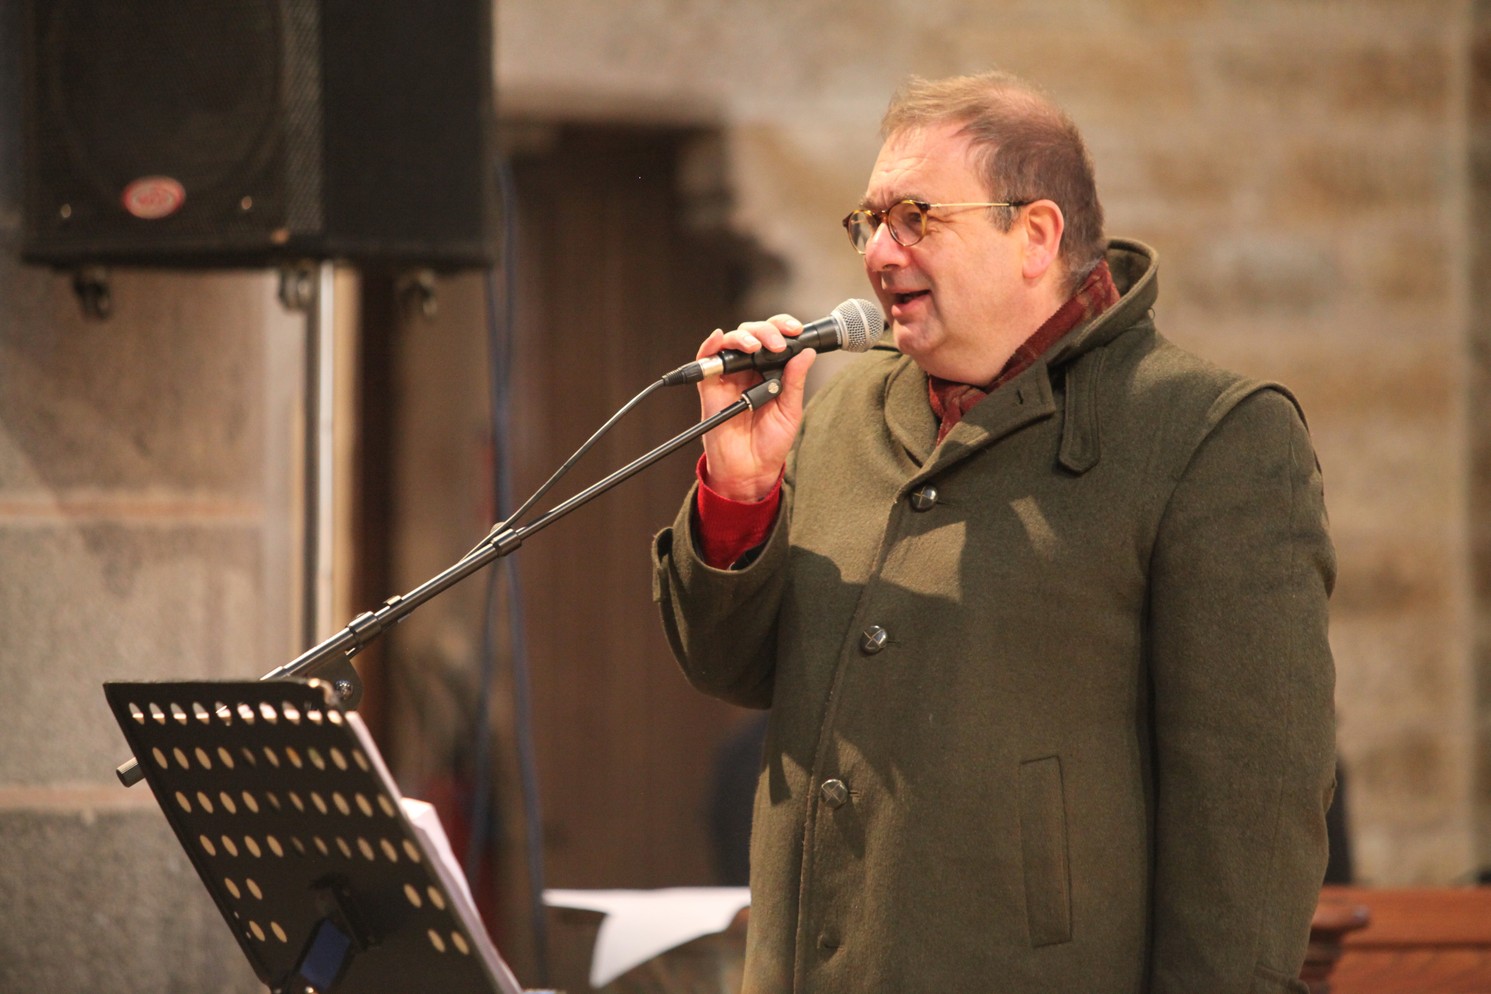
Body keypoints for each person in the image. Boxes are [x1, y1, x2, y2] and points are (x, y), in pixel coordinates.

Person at [651, 70, 1335, 994]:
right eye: (868, 222)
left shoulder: (1206, 436)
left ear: (1036, 235)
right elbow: (727, 667)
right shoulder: (839, 410)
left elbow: (1248, 814)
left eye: (915, 218)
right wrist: (741, 489)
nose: (879, 251)